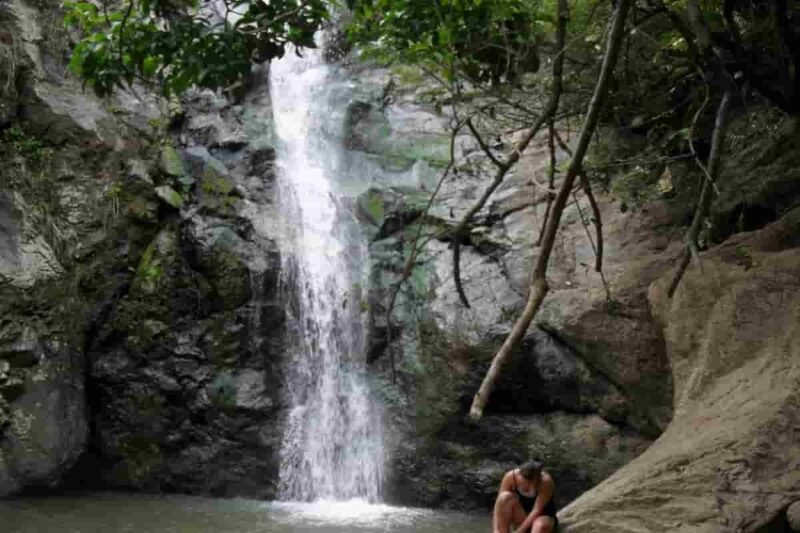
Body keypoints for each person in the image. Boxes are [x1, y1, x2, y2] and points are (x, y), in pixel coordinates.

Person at [492, 460, 558, 533]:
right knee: (504, 497)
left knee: (539, 526)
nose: (530, 484)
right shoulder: (511, 477)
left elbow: (537, 510)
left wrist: (519, 531)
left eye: (534, 481)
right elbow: (499, 504)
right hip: (521, 514)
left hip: (542, 516)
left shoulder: (545, 482)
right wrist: (496, 529)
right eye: (527, 481)